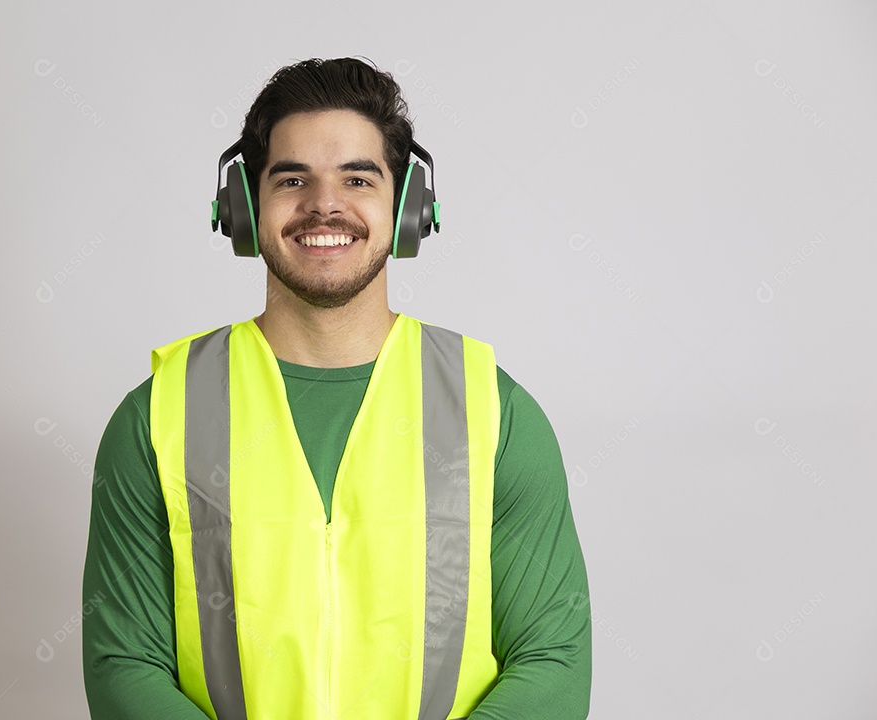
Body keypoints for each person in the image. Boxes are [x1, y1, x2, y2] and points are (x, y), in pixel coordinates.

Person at [81, 57, 591, 719]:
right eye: (292, 178)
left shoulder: (496, 414)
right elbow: (125, 666)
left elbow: (553, 659)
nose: (324, 203)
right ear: (242, 208)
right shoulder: (157, 416)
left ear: (408, 206)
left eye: (358, 177)